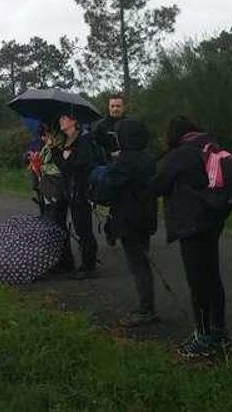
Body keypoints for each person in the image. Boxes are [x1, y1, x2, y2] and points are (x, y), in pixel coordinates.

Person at [154, 116, 231, 359]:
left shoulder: (181, 154)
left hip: (191, 223)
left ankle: (204, 336)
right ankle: (219, 331)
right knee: (212, 276)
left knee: (197, 282)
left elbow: (158, 184)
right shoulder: (209, 147)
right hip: (213, 219)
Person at [96, 118, 160, 327]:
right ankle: (146, 305)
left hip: (129, 219)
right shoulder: (149, 159)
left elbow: (108, 189)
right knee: (142, 262)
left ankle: (146, 308)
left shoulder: (125, 161)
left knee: (138, 265)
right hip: (146, 216)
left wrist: (100, 180)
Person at [51, 112, 103, 279]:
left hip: (81, 189)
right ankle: (83, 264)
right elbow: (63, 166)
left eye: (64, 118)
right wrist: (54, 149)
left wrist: (68, 157)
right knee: (78, 225)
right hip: (70, 189)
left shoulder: (83, 141)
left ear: (73, 121)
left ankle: (89, 266)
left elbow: (82, 165)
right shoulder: (67, 141)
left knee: (83, 227)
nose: (60, 121)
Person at [91, 94, 127, 159]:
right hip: (107, 163)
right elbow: (95, 148)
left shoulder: (131, 125)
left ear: (123, 107)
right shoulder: (101, 126)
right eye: (112, 106)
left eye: (118, 106)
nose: (115, 109)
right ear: (108, 107)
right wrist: (110, 154)